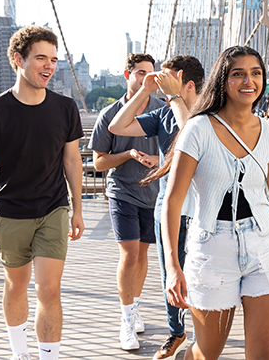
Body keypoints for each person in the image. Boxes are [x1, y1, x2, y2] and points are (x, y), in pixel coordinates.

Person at [159, 46, 269, 360]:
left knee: (265, 354)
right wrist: (173, 267)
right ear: (223, 81)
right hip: (212, 248)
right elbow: (173, 201)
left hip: (264, 248)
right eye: (238, 74)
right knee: (208, 352)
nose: (249, 81)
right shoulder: (199, 129)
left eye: (256, 73)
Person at [0, 25, 85, 360]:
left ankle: (49, 357)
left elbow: (73, 160)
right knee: (16, 286)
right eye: (40, 58)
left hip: (53, 208)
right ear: (18, 60)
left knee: (49, 289)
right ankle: (21, 354)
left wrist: (76, 208)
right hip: (10, 213)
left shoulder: (65, 108)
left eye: (53, 59)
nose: (49, 66)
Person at [108, 55, 205, 360]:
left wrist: (175, 96)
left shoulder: (211, 115)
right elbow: (117, 125)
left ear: (186, 83)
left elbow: (193, 134)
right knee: (170, 276)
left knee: (204, 275)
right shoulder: (163, 114)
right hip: (168, 207)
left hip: (205, 208)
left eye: (167, 79)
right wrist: (143, 92)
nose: (161, 84)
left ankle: (203, 337)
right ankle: (177, 332)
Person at [88, 53, 164, 350]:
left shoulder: (162, 110)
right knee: (129, 254)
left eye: (151, 73)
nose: (147, 78)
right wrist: (129, 155)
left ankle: (134, 306)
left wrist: (160, 159)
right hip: (122, 191)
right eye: (141, 73)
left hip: (153, 192)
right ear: (127, 75)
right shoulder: (110, 115)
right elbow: (98, 163)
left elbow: (178, 149)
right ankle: (126, 320)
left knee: (143, 255)